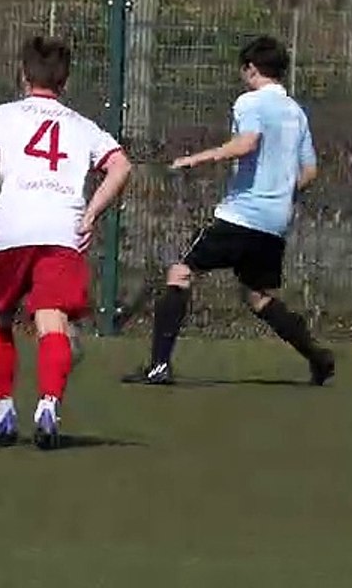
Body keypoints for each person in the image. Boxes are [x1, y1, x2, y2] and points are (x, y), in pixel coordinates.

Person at [0, 36, 133, 450]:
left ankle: (5, 414)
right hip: (62, 230)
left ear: (24, 75)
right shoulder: (82, 125)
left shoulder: (4, 115)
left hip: (12, 228)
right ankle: (48, 406)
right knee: (52, 320)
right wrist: (92, 211)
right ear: (65, 81)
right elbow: (120, 165)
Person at [131, 35, 334, 387]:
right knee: (257, 295)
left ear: (250, 69)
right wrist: (281, 194)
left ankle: (158, 366)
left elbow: (247, 143)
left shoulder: (250, 102)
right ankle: (318, 358)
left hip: (242, 215)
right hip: (275, 221)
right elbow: (310, 171)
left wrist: (196, 159)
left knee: (180, 272)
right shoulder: (296, 113)